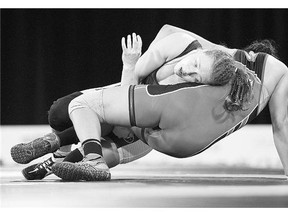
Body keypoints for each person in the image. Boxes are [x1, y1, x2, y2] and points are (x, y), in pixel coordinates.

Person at [12, 24, 288, 181]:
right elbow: (125, 92)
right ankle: (58, 149)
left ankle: (60, 155)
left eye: (194, 75)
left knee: (115, 138)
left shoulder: (202, 84)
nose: (185, 72)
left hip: (145, 116)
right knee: (93, 120)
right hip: (133, 95)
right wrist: (130, 63)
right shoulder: (181, 45)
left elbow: (282, 127)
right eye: (192, 65)